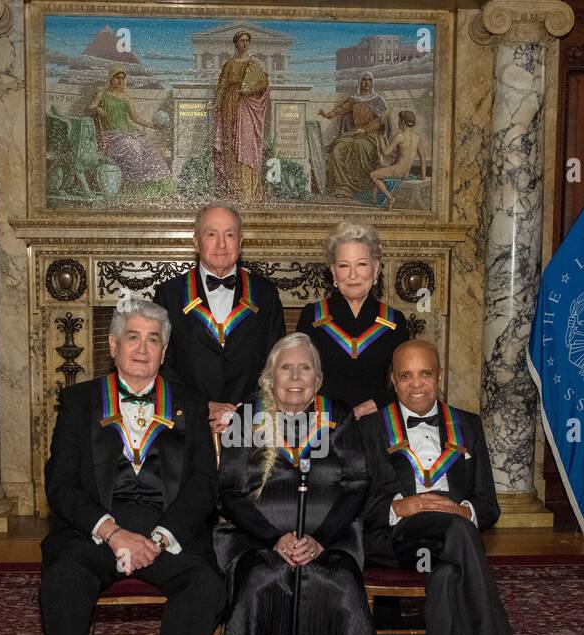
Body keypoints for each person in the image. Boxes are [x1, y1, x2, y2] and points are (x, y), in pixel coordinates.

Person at [39, 300, 225, 635]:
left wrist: (160, 538)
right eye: (134, 338)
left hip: (165, 534)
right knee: (62, 580)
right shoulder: (80, 400)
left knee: (206, 586)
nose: (143, 348)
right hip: (96, 531)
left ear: (164, 351)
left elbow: (205, 484)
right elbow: (60, 485)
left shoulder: (190, 400)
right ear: (113, 345)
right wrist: (112, 531)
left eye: (153, 339)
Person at [214, 333, 392, 635]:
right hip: (254, 540)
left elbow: (357, 485)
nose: (295, 377)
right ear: (269, 377)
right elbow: (229, 495)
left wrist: (321, 539)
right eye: (285, 368)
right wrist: (274, 539)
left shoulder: (339, 419)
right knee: (260, 584)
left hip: (329, 539)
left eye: (305, 368)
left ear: (319, 377)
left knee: (342, 585)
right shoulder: (247, 419)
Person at [364, 340, 543, 635]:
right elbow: (355, 504)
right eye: (405, 376)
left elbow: (488, 504)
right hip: (398, 540)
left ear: (439, 377)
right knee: (459, 531)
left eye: (424, 374)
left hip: (450, 546)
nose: (416, 384)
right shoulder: (369, 428)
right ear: (392, 380)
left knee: (447, 578)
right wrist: (398, 506)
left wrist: (462, 509)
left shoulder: (468, 424)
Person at [154, 202, 286, 434]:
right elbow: (161, 366)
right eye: (211, 234)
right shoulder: (169, 294)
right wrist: (203, 407)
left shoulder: (266, 294)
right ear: (196, 241)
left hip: (250, 425)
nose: (221, 244)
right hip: (188, 425)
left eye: (230, 234)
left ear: (241, 242)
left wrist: (244, 412)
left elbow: (276, 364)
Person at [297, 221, 409, 419]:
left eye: (362, 264)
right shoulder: (312, 316)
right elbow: (297, 378)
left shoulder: (394, 321)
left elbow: (407, 381)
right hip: (324, 423)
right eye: (343, 266)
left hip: (378, 421)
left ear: (375, 269)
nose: (352, 275)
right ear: (333, 271)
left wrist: (378, 403)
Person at [85, 67, 170, 185]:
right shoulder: (103, 94)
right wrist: (98, 108)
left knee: (150, 149)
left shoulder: (125, 98)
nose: (120, 81)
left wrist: (153, 126)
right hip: (111, 135)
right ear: (111, 78)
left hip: (129, 131)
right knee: (131, 149)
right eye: (117, 78)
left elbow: (135, 118)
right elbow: (89, 109)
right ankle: (134, 182)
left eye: (122, 78)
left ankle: (151, 182)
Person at [212, 31, 269, 201]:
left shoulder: (255, 63)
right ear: (235, 43)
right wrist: (216, 103)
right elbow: (222, 85)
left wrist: (249, 90)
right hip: (230, 104)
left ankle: (247, 190)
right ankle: (232, 189)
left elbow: (263, 84)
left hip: (246, 106)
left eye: (247, 41)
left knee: (245, 145)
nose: (244, 44)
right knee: (230, 143)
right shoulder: (229, 64)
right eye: (241, 41)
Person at [320, 73, 390, 200]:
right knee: (337, 149)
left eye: (369, 80)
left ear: (372, 82)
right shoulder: (354, 99)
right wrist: (327, 114)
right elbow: (340, 109)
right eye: (364, 80)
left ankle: (361, 186)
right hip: (354, 132)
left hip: (370, 135)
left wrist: (365, 130)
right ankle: (342, 187)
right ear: (360, 82)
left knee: (360, 146)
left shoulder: (378, 100)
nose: (367, 82)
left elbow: (381, 122)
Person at [370, 109, 425, 207]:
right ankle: (373, 199)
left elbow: (386, 152)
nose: (398, 123)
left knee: (373, 175)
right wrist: (423, 176)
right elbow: (423, 157)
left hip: (398, 171)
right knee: (379, 169)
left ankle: (390, 198)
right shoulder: (417, 137)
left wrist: (380, 138)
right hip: (406, 173)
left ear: (403, 122)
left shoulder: (400, 136)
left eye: (399, 121)